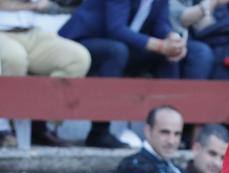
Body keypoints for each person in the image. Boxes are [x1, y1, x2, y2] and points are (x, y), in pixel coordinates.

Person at [59, 0, 208, 146]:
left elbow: (160, 24)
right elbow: (116, 29)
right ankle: (99, 132)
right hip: (81, 42)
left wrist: (172, 39)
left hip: (122, 45)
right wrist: (161, 45)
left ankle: (168, 130)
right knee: (116, 51)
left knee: (166, 56)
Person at [0, 0, 91, 146]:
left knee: (78, 58)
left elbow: (51, 5)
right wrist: (33, 5)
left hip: (31, 31)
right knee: (15, 59)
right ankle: (7, 128)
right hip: (2, 33)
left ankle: (41, 123)